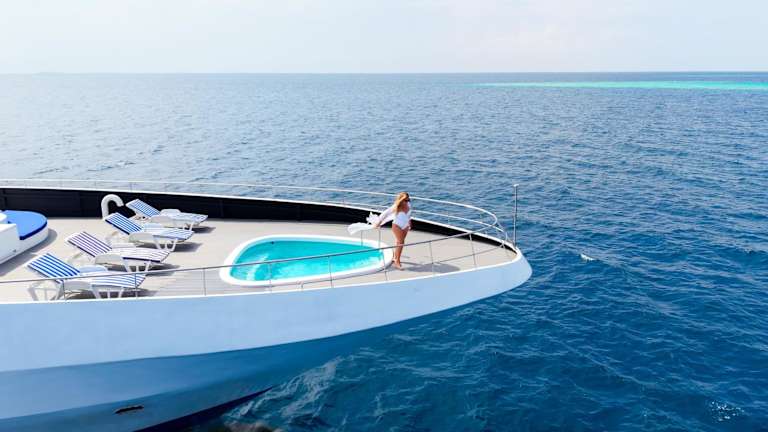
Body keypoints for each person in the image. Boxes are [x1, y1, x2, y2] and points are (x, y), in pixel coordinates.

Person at [375, 192, 412, 269]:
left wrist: (409, 223)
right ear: (401, 200)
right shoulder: (396, 206)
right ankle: (397, 261)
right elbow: (385, 214)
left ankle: (395, 257)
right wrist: (378, 223)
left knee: (399, 242)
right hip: (397, 226)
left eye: (408, 200)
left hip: (405, 226)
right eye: (405, 200)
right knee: (401, 242)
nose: (407, 202)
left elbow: (409, 215)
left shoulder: (408, 205)